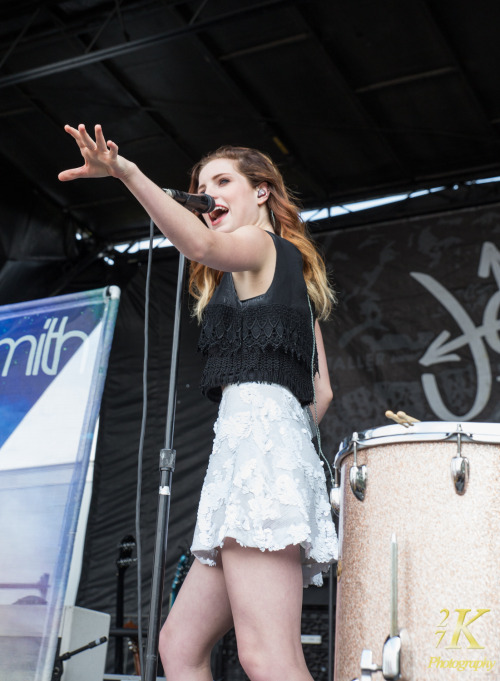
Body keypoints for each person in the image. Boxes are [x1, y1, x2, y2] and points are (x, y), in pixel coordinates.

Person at [59, 124, 338, 681]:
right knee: (179, 646)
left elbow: (200, 244)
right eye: (200, 182)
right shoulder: (289, 276)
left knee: (267, 656)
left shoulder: (262, 245)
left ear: (261, 191)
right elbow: (322, 390)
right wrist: (285, 452)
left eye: (223, 179)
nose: (208, 189)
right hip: (253, 457)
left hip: (257, 456)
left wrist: (125, 172)